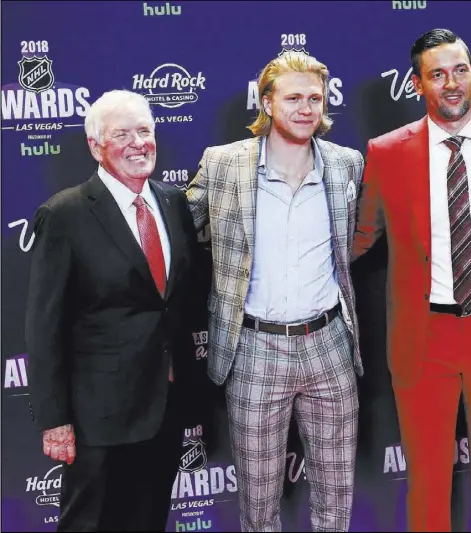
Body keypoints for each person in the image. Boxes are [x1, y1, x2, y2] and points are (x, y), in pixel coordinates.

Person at [352, 28, 471, 532]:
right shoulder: (387, 151)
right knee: (428, 483)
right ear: (419, 84)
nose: (451, 83)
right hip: (425, 335)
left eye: (460, 70)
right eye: (437, 74)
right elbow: (360, 238)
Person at [184, 51, 364, 532]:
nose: (305, 108)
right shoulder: (223, 165)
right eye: (292, 98)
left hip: (330, 345)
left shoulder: (347, 165)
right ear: (266, 102)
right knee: (259, 505)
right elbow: (177, 235)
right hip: (255, 348)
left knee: (337, 496)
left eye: (314, 98)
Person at [26, 89, 199, 531]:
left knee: (148, 520)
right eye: (122, 134)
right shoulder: (64, 215)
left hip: (164, 405)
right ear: (95, 145)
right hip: (97, 418)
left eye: (145, 131)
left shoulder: (173, 202)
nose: (138, 143)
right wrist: (55, 421)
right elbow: (44, 327)